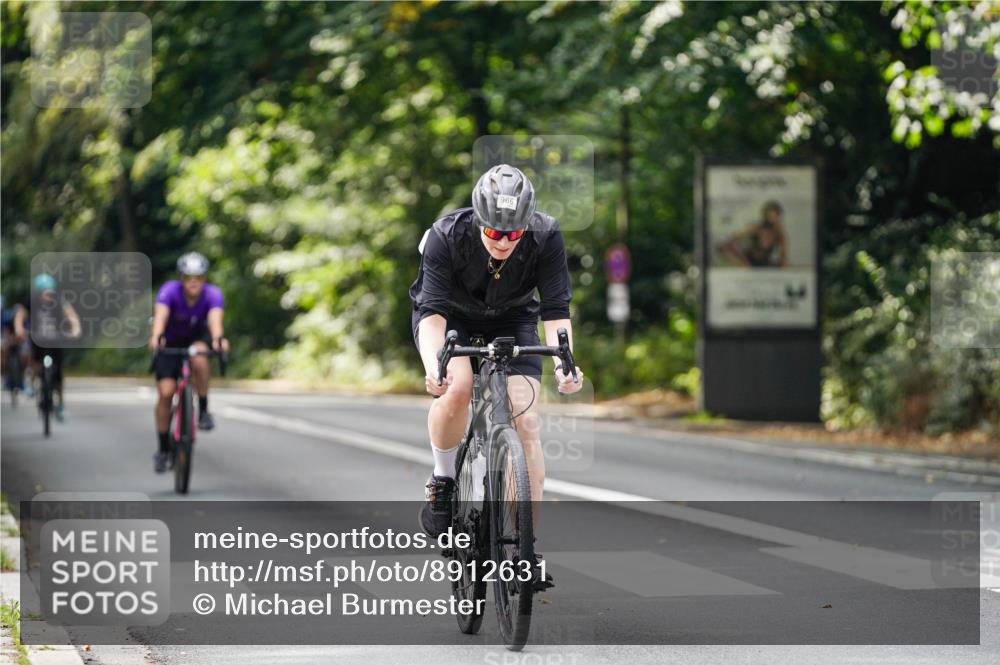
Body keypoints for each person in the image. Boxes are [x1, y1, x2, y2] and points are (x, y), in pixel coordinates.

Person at [408, 164, 585, 554]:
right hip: (450, 317)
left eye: (513, 233)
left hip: (513, 317)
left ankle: (525, 545)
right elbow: (433, 314)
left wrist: (564, 363)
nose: (504, 241)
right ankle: (443, 479)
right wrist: (434, 367)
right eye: (493, 232)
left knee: (526, 415)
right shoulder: (446, 235)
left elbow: (556, 309)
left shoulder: (546, 234)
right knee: (458, 387)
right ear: (479, 219)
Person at [148, 252, 229, 473]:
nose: (193, 281)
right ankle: (163, 449)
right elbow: (160, 317)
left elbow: (215, 321)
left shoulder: (213, 294)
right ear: (181, 278)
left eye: (199, 277)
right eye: (188, 277)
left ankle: (203, 410)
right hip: (170, 341)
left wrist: (218, 340)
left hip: (196, 339)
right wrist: (156, 337)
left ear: (204, 279)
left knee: (200, 356)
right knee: (166, 393)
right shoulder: (169, 291)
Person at [13, 274, 83, 419]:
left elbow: (71, 315)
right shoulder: (30, 301)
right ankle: (31, 384)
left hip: (55, 339)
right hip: (38, 338)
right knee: (35, 362)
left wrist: (75, 328)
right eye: (43, 292)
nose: (47, 296)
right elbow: (20, 316)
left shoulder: (59, 301)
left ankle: (62, 404)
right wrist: (19, 330)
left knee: (58, 375)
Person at [716, 200, 789, 268]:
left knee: (786, 265)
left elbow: (783, 253)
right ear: (766, 215)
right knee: (724, 247)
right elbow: (731, 239)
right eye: (771, 215)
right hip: (749, 261)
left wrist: (781, 262)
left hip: (763, 263)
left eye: (776, 216)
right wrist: (743, 262)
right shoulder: (757, 228)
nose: (774, 218)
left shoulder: (779, 231)